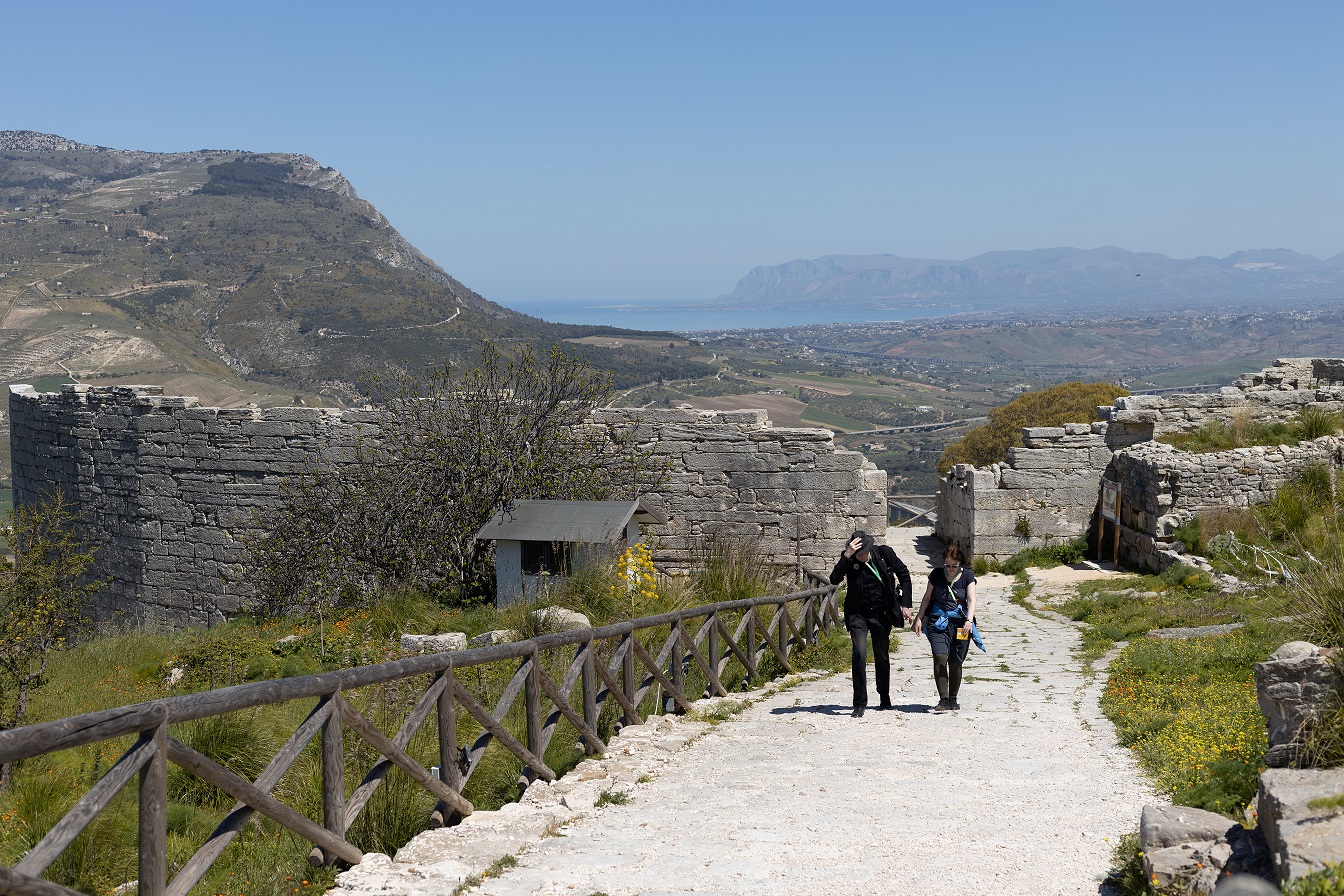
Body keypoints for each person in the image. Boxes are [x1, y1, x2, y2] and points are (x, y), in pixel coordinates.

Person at [829, 530, 912, 717]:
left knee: (882, 656)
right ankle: (859, 703)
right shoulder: (850, 560)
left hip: (881, 614)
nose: (861, 557)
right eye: (858, 554)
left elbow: (904, 574)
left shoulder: (884, 554)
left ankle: (884, 696)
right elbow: (834, 580)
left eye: (863, 553)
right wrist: (847, 555)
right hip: (858, 614)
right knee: (859, 653)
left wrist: (906, 604)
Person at [912, 543, 985, 713]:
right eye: (947, 565)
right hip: (938, 622)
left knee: (955, 661)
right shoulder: (936, 575)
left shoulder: (967, 576)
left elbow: (972, 600)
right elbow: (927, 598)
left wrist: (969, 620)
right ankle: (943, 699)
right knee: (940, 657)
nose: (950, 569)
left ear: (960, 564)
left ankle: (953, 698)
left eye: (954, 565)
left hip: (961, 624)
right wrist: (919, 617)